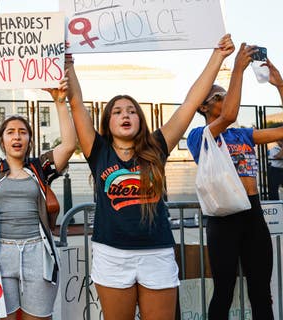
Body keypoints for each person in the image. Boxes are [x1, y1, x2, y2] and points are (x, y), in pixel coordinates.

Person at [66, 34, 234, 319]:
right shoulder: (98, 151)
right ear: (108, 121)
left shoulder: (157, 146)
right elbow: (76, 102)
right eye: (117, 111)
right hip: (112, 254)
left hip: (157, 253)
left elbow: (191, 102)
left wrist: (218, 56)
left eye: (132, 110)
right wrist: (68, 66)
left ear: (140, 120)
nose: (125, 114)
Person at [0, 76, 76, 320]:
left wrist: (61, 102)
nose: (17, 137)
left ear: (29, 139)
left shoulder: (40, 167)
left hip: (37, 252)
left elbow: (69, 145)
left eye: (22, 132)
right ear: (2, 140)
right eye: (10, 132)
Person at [187, 46, 283, 319]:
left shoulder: (243, 134)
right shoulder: (199, 136)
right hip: (223, 216)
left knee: (261, 294)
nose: (228, 98)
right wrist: (237, 69)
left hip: (252, 213)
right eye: (220, 96)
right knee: (224, 291)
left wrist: (280, 85)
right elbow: (228, 115)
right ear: (203, 106)